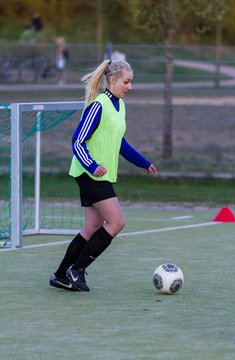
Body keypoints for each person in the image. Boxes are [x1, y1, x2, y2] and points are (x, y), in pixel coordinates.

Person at [49, 59, 157, 292]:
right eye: (126, 82)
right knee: (116, 222)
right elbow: (77, 141)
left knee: (92, 228)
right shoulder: (98, 105)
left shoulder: (120, 106)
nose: (130, 87)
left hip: (99, 175)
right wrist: (91, 165)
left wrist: (143, 162)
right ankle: (76, 270)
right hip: (89, 174)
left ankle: (59, 276)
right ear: (112, 80)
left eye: (131, 82)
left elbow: (120, 143)